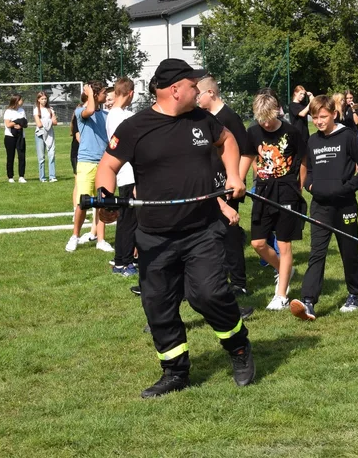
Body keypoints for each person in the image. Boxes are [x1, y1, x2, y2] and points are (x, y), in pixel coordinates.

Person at [96, 58, 254, 397]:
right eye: (193, 85)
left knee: (208, 294)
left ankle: (239, 347)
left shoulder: (203, 121)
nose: (198, 90)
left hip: (202, 230)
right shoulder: (135, 127)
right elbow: (108, 166)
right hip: (154, 236)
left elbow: (227, 141)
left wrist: (234, 175)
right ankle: (175, 372)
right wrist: (105, 196)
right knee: (159, 306)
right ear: (175, 89)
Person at [290, 94, 358, 320]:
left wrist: (346, 188)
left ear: (334, 114)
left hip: (345, 205)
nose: (318, 121)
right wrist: (310, 185)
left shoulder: (347, 137)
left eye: (323, 116)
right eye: (315, 117)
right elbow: (309, 171)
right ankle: (308, 302)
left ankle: (355, 294)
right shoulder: (313, 141)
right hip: (320, 206)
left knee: (349, 251)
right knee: (317, 252)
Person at [245, 92, 308, 310]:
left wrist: (298, 186)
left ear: (276, 111)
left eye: (268, 118)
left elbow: (304, 160)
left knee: (284, 242)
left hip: (287, 191)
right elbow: (250, 156)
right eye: (260, 118)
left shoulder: (291, 131)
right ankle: (284, 270)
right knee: (258, 243)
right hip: (262, 191)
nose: (265, 123)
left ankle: (281, 295)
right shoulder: (252, 132)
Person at [197, 75, 258, 296]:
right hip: (209, 185)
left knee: (229, 234)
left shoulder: (229, 117)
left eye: (199, 94)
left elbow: (248, 150)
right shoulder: (203, 118)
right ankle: (217, 279)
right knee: (212, 233)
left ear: (210, 93)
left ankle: (239, 282)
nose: (196, 98)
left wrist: (236, 180)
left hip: (227, 185)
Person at [66, 81, 113, 253]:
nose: (105, 96)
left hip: (103, 164)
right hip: (86, 163)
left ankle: (101, 240)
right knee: (83, 203)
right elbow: (90, 110)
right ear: (94, 95)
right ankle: (74, 236)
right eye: (102, 93)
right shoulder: (80, 111)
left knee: (101, 202)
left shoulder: (106, 115)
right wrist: (89, 93)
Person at [106, 77, 138, 277]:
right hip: (128, 174)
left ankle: (128, 259)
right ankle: (123, 263)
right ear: (131, 94)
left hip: (125, 173)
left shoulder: (117, 114)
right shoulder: (120, 117)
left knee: (130, 219)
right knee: (128, 220)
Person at [33, 91, 58, 183]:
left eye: (45, 99)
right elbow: (39, 124)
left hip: (50, 134)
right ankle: (42, 177)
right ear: (38, 100)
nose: (44, 100)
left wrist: (48, 121)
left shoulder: (50, 109)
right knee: (41, 157)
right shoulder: (36, 109)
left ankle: (52, 176)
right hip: (40, 134)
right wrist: (49, 121)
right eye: (42, 99)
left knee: (51, 155)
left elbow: (55, 122)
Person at [2, 94, 28, 183]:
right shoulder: (8, 111)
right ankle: (10, 177)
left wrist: (20, 125)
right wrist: (16, 122)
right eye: (20, 100)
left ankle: (21, 176)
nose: (22, 102)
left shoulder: (22, 110)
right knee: (10, 157)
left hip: (21, 136)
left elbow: (25, 123)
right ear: (16, 101)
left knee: (22, 156)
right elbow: (8, 124)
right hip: (10, 137)